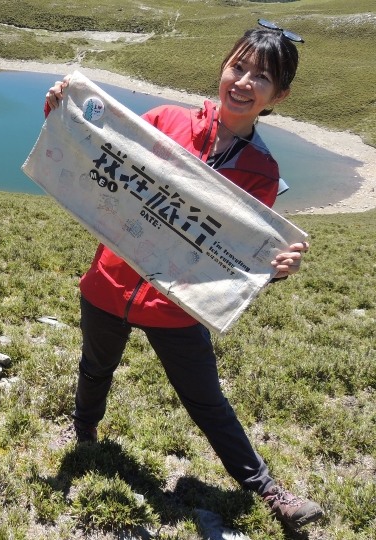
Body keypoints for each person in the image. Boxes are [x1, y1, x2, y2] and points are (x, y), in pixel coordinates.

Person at [44, 21, 324, 531]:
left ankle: (267, 490)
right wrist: (65, 109)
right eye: (237, 67)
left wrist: (278, 269)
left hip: (177, 304)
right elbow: (98, 153)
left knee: (206, 399)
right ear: (222, 68)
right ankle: (83, 436)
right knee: (94, 367)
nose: (242, 82)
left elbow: (241, 256)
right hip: (109, 282)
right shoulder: (163, 121)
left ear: (278, 95)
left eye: (259, 77)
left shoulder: (262, 171)